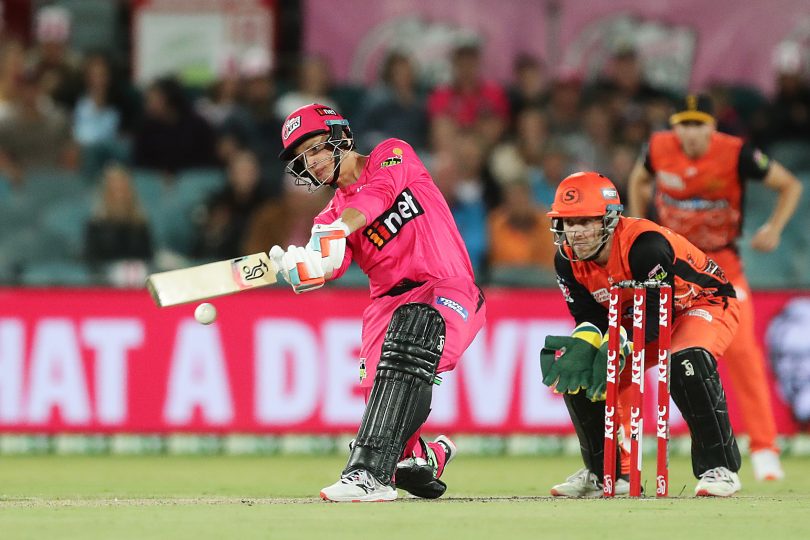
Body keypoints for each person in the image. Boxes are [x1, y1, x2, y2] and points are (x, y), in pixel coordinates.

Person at [271, 103, 486, 502]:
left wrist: (336, 230)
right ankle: (424, 456)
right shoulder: (327, 219)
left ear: (340, 138)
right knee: (385, 405)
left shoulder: (392, 153)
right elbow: (330, 266)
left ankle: (367, 475)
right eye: (303, 158)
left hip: (446, 288)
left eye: (316, 148)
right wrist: (302, 266)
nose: (312, 163)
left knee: (415, 336)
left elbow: (378, 196)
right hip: (385, 308)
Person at [627, 94, 803, 481]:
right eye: (683, 124)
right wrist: (640, 226)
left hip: (721, 266)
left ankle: (764, 448)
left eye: (698, 124)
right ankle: (631, 448)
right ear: (674, 126)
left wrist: (773, 228)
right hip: (671, 264)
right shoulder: (658, 149)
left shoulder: (736, 153)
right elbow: (639, 179)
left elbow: (789, 185)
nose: (690, 133)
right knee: (655, 351)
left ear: (713, 126)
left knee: (742, 354)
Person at [540, 171, 742, 497]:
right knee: (582, 372)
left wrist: (617, 344)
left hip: (701, 303)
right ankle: (607, 473)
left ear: (608, 220)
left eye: (584, 222)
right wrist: (586, 348)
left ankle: (720, 469)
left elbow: (653, 314)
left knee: (684, 361)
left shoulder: (645, 246)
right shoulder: (567, 261)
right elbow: (589, 316)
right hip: (641, 318)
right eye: (567, 223)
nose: (574, 233)